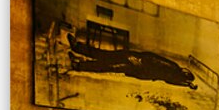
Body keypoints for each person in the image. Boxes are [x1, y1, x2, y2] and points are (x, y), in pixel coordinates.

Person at [67, 33, 197, 90]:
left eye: (186, 72)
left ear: (184, 73)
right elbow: (154, 60)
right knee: (106, 59)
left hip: (136, 64)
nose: (185, 69)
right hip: (138, 65)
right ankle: (78, 55)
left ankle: (78, 60)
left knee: (106, 63)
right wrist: (187, 84)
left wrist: (137, 60)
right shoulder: (173, 75)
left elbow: (154, 60)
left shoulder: (173, 69)